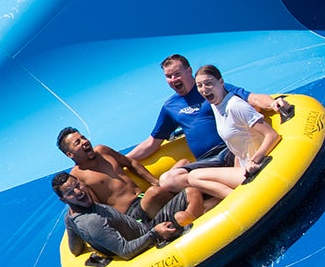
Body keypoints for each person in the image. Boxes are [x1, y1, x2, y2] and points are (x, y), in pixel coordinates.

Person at [126, 54, 285, 191]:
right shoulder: (170, 107)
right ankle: (222, 194)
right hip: (206, 161)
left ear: (189, 71)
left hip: (229, 150)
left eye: (177, 74)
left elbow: (252, 98)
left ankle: (233, 192)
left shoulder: (212, 89)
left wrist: (273, 103)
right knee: (168, 180)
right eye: (169, 76)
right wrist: (121, 161)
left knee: (196, 177)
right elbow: (152, 143)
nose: (173, 79)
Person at [56, 126, 204, 227]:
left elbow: (130, 163)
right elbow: (95, 207)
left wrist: (154, 181)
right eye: (78, 142)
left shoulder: (103, 151)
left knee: (183, 165)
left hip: (144, 196)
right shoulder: (77, 177)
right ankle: (185, 218)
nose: (85, 142)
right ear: (70, 154)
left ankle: (189, 217)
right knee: (154, 193)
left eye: (83, 137)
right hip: (132, 215)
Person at [185, 64, 282, 202]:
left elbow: (272, 135)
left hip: (258, 167)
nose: (204, 89)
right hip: (244, 167)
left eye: (208, 83)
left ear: (221, 82)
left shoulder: (235, 105)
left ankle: (240, 201)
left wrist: (255, 160)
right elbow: (238, 148)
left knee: (194, 177)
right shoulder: (216, 105)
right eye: (199, 85)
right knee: (205, 201)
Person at [52, 171, 179, 262]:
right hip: (150, 240)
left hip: (143, 226)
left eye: (77, 185)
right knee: (191, 194)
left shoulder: (70, 217)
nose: (78, 191)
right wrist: (155, 233)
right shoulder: (92, 222)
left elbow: (75, 250)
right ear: (63, 200)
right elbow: (126, 252)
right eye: (70, 192)